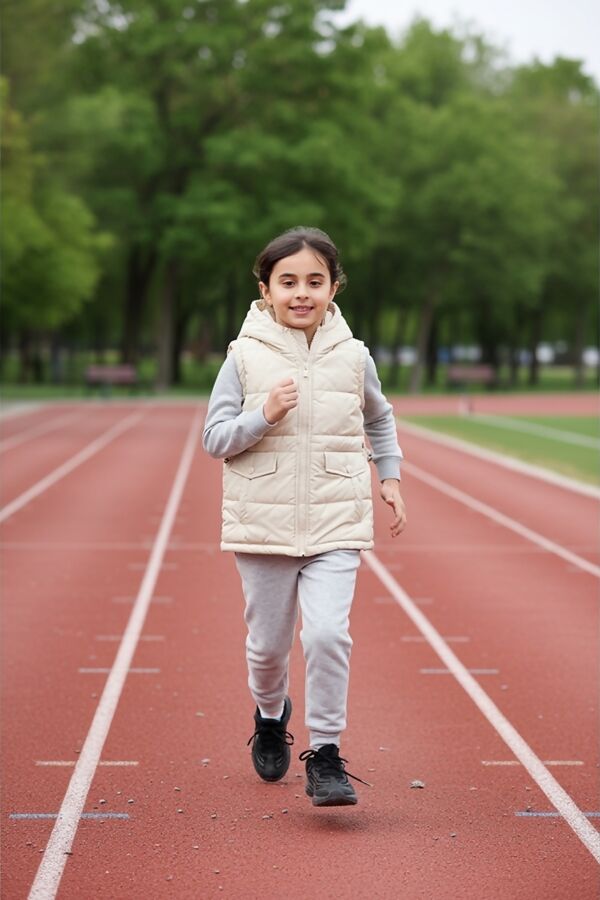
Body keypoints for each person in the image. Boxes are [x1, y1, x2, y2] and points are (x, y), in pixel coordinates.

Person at [202, 226, 406, 807]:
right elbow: (215, 439)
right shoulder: (243, 357)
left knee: (325, 634)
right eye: (287, 281)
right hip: (262, 524)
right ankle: (271, 714)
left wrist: (389, 477)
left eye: (314, 281)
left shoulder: (353, 356)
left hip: (335, 520)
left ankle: (327, 754)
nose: (301, 293)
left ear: (334, 287)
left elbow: (380, 419)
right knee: (268, 648)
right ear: (265, 289)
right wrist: (262, 415)